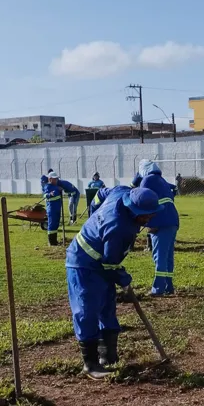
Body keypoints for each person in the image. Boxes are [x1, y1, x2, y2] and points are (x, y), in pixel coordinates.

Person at [66, 187, 164, 380]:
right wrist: (124, 280)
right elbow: (111, 265)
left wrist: (94, 214)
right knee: (88, 310)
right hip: (83, 264)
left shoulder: (121, 191)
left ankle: (108, 357)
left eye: (151, 215)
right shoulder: (119, 228)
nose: (148, 220)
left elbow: (100, 193)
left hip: (101, 262)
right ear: (133, 211)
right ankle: (91, 364)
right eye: (145, 217)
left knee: (107, 306)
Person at [138, 160, 180, 296]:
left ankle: (158, 289)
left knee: (159, 256)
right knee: (167, 256)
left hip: (161, 221)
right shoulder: (161, 180)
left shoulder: (147, 180)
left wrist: (150, 223)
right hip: (172, 219)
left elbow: (144, 201)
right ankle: (169, 286)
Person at [43, 172, 64, 246]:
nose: (56, 180)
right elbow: (45, 195)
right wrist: (50, 194)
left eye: (56, 179)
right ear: (50, 179)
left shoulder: (56, 186)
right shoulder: (47, 186)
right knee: (52, 224)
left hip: (57, 208)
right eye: (54, 179)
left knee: (56, 224)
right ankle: (51, 242)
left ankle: (55, 241)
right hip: (52, 208)